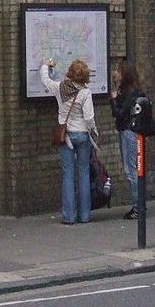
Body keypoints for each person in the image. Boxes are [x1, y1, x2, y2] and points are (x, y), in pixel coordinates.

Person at [40, 58, 98, 224]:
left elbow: (45, 80)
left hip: (66, 136)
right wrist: (94, 132)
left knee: (68, 174)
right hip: (83, 136)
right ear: (85, 77)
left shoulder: (60, 88)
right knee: (84, 173)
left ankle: (69, 216)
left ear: (70, 73)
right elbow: (89, 118)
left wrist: (46, 65)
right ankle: (85, 215)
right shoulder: (86, 93)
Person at [110, 60, 141, 220]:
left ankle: (138, 207)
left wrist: (113, 99)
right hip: (127, 131)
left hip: (129, 132)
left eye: (118, 71)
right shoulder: (128, 91)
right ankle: (138, 205)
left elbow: (119, 113)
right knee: (131, 169)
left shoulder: (130, 93)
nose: (115, 73)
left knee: (131, 170)